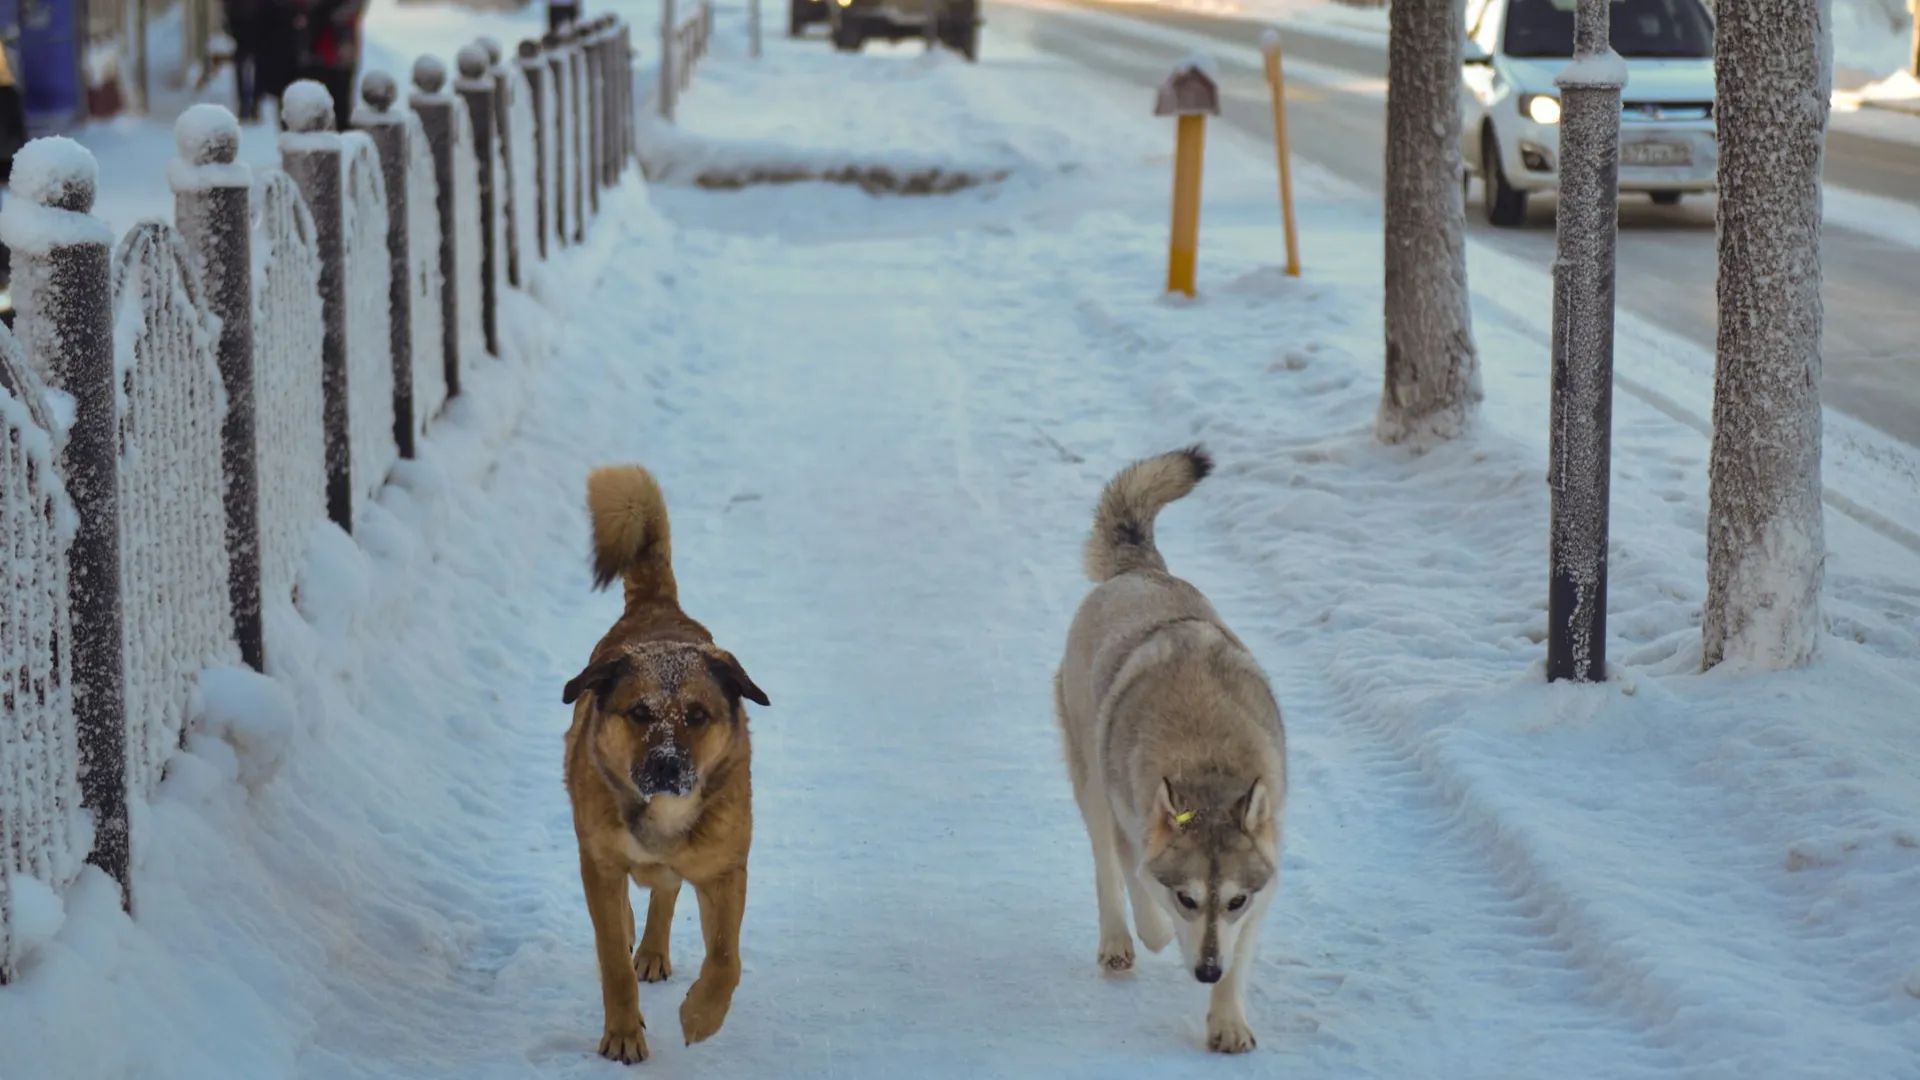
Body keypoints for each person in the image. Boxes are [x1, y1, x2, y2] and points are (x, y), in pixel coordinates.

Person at [288, 0, 364, 131]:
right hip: (313, 48)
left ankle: (343, 141)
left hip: (340, 48)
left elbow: (355, 6)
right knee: (315, 105)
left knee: (341, 106)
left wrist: (330, 16)